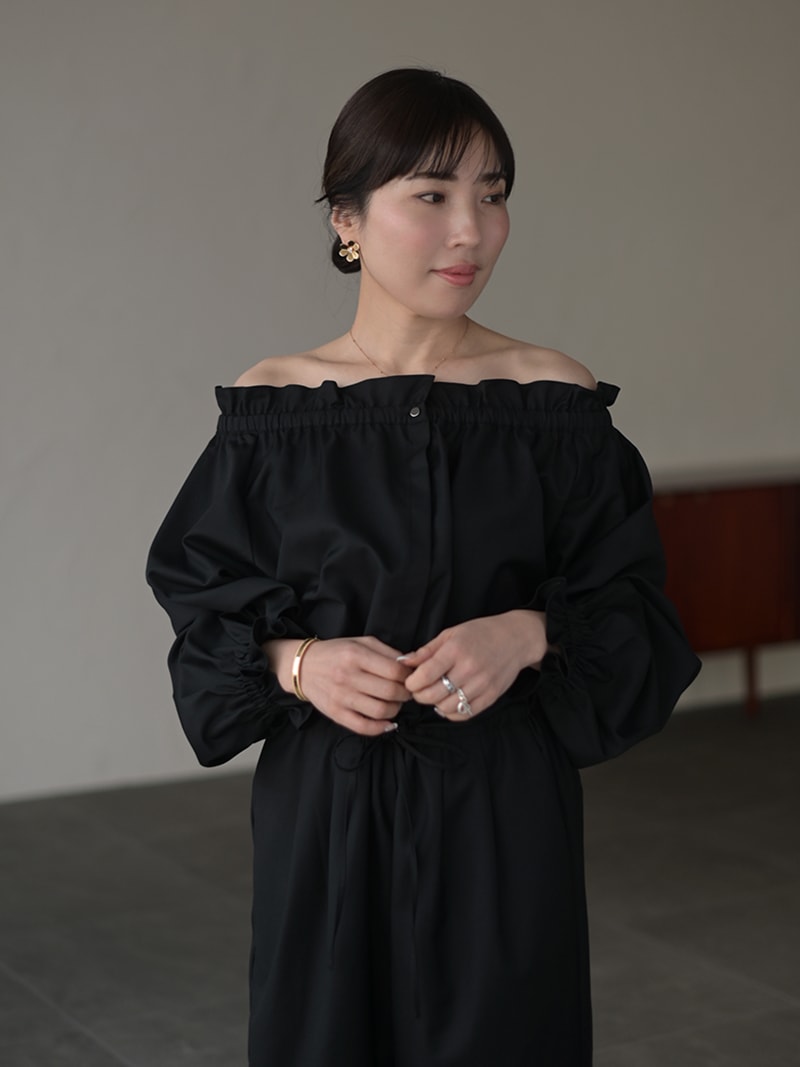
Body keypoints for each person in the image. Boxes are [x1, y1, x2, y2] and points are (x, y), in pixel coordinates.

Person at [146, 67, 700, 1067]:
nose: (470, 231)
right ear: (347, 219)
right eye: (433, 195)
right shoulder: (274, 410)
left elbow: (634, 606)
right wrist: (297, 662)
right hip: (326, 807)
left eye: (493, 194)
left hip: (503, 804)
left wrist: (528, 632)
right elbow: (202, 603)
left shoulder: (550, 400)